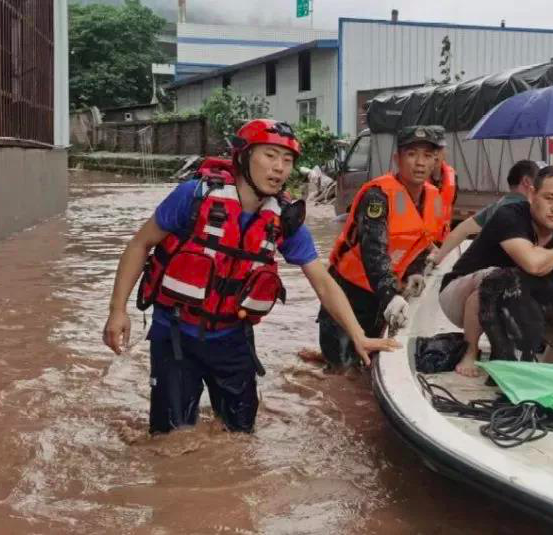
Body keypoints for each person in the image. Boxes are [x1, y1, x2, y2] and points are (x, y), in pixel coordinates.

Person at [102, 119, 397, 434]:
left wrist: (357, 334)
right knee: (171, 440)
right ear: (243, 157)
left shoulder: (284, 220)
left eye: (287, 161)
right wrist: (117, 310)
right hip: (175, 336)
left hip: (232, 340)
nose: (280, 168)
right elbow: (140, 244)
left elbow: (323, 282)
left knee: (242, 436)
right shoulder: (194, 196)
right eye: (270, 156)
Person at [438, 165, 553, 376]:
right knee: (495, 280)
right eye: (549, 198)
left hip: (516, 303)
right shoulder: (509, 215)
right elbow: (532, 264)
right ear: (532, 194)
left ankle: (540, 374)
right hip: (458, 297)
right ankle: (469, 352)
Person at [322, 125, 447, 368]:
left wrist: (414, 272)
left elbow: (423, 242)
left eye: (427, 156)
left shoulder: (434, 197)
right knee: (340, 372)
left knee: (369, 366)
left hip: (381, 294)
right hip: (348, 292)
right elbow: (374, 252)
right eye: (412, 154)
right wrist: (391, 295)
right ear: (397, 159)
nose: (420, 163)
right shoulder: (378, 196)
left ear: (435, 161)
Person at [431, 159, 539, 265]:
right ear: (526, 181)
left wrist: (438, 257)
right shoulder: (524, 209)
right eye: (539, 180)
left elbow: (461, 230)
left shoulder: (497, 206)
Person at [429, 126, 457, 241]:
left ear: (445, 151)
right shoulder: (414, 180)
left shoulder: (452, 176)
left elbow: (450, 205)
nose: (435, 154)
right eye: (431, 149)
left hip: (442, 240)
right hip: (421, 244)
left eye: (439, 149)